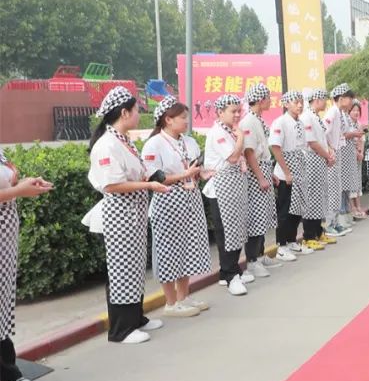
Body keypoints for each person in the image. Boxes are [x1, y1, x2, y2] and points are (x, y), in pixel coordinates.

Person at [84, 86, 169, 343]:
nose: (138, 114)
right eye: (135, 110)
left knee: (134, 266)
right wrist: (148, 185)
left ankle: (136, 318)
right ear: (124, 113)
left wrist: (148, 177)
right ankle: (120, 329)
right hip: (118, 215)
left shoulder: (124, 140)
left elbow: (134, 172)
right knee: (121, 269)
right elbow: (111, 185)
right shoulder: (106, 145)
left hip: (133, 214)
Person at [141, 97, 211, 318]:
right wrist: (185, 175)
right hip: (168, 201)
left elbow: (195, 167)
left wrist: (201, 173)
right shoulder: (154, 144)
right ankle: (170, 302)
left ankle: (184, 297)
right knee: (168, 250)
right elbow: (154, 176)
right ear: (168, 120)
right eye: (182, 118)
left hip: (191, 199)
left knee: (189, 247)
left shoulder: (189, 141)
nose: (186, 121)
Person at [0, 148, 53, 381]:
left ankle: (6, 371)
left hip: (5, 234)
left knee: (3, 302)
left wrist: (24, 184)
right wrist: (20, 191)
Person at [204, 94, 255, 297]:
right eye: (232, 111)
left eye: (237, 111)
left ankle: (232, 270)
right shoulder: (218, 133)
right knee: (226, 233)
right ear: (220, 112)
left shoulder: (229, 131)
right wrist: (241, 136)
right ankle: (229, 275)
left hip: (235, 186)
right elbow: (233, 157)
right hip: (222, 189)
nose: (236, 115)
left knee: (237, 228)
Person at [239, 83, 281, 276]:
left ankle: (260, 254)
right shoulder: (248, 121)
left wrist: (269, 173)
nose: (270, 101)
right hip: (256, 173)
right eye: (268, 97)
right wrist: (261, 176)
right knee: (256, 216)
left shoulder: (258, 120)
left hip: (263, 168)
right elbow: (249, 152)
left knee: (263, 215)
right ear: (261, 100)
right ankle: (252, 260)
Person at [269, 91, 313, 259]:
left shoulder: (300, 123)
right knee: (285, 209)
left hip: (299, 167)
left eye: (301, 101)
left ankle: (292, 240)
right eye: (296, 102)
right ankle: (281, 245)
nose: (300, 105)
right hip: (285, 170)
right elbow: (276, 147)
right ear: (286, 104)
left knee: (297, 207)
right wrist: (287, 172)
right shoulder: (280, 122)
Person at [300, 89, 337, 247]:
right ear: (316, 100)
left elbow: (322, 139)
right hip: (311, 160)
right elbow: (312, 142)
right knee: (312, 198)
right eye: (324, 99)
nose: (325, 102)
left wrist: (329, 153)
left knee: (319, 197)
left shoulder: (315, 116)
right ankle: (309, 236)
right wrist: (327, 156)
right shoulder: (307, 117)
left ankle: (318, 231)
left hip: (319, 159)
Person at [325, 83, 358, 235]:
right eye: (350, 99)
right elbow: (324, 133)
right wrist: (329, 148)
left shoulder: (339, 113)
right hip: (331, 154)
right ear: (342, 98)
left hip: (337, 152)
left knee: (337, 189)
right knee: (332, 190)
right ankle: (330, 224)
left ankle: (336, 221)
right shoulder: (332, 113)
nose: (351, 102)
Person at [345, 101, 367, 221]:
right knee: (351, 181)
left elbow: (362, 140)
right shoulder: (348, 123)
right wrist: (356, 152)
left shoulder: (359, 124)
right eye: (353, 110)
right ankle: (352, 207)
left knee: (357, 180)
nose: (356, 112)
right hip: (349, 156)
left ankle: (358, 206)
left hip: (358, 156)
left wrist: (361, 153)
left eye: (358, 110)